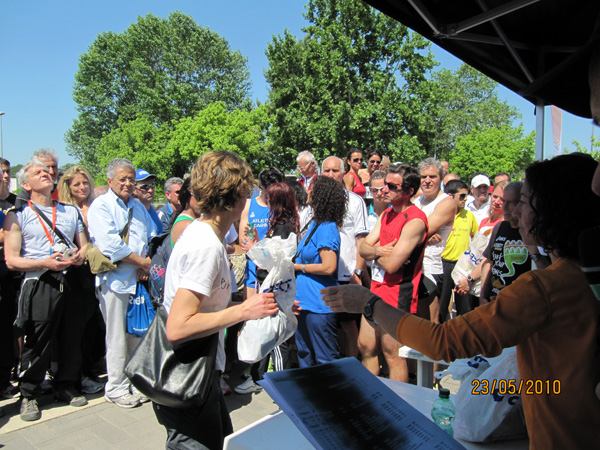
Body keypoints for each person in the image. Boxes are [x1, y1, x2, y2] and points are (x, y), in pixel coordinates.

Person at [322, 152, 600, 450]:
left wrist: (368, 302)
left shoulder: (543, 288)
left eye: (525, 202)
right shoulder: (576, 276)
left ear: (551, 211)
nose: (515, 213)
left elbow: (442, 341)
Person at [154, 151, 277, 449]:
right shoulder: (205, 245)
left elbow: (207, 309)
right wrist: (243, 309)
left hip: (203, 369)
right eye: (247, 190)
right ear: (238, 196)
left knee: (224, 441)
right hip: (186, 373)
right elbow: (179, 326)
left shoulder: (210, 237)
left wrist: (254, 309)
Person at [4, 159, 89, 421]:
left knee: (72, 336)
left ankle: (65, 385)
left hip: (70, 280)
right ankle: (29, 394)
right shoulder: (16, 215)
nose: (46, 173)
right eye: (37, 172)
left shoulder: (69, 211)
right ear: (26, 184)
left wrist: (78, 256)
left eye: (48, 171)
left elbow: (84, 246)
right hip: (40, 282)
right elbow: (12, 260)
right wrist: (44, 262)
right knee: (38, 341)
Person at [87, 158, 156, 408]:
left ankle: (134, 381)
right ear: (109, 181)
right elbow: (111, 246)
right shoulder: (101, 206)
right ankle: (115, 387)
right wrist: (142, 262)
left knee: (136, 335)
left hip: (138, 279)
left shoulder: (137, 206)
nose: (128, 183)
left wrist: (144, 264)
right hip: (114, 280)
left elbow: (149, 236)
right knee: (116, 336)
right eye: (122, 179)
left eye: (131, 179)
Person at [357, 164, 428, 382]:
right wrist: (380, 251)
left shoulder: (415, 220)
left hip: (398, 293)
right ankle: (369, 397)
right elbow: (363, 247)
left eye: (391, 186)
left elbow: (392, 266)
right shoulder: (387, 213)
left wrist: (374, 253)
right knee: (366, 347)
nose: (383, 189)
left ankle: (400, 406)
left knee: (392, 354)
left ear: (408, 191)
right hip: (376, 289)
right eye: (384, 183)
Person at [57, 165, 105, 395]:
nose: (82, 187)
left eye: (85, 182)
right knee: (78, 328)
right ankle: (77, 376)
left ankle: (90, 369)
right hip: (74, 273)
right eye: (76, 184)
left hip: (95, 270)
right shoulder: (65, 210)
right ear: (67, 187)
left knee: (95, 326)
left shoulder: (97, 206)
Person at [293, 175, 346, 367]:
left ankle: (331, 397)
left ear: (321, 195)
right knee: (304, 355)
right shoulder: (315, 224)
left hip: (319, 305)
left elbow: (328, 266)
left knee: (325, 360)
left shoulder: (327, 227)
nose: (308, 190)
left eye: (312, 188)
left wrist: (298, 267)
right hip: (305, 303)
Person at [321, 156, 369, 358]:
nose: (331, 175)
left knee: (348, 325)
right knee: (324, 324)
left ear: (343, 173)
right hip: (320, 273)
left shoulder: (356, 202)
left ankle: (351, 368)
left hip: (346, 274)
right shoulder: (315, 202)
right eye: (327, 171)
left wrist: (357, 271)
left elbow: (362, 241)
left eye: (335, 171)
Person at [413, 158, 456, 322]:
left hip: (431, 267)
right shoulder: (417, 201)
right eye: (423, 177)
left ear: (441, 177)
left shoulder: (446, 202)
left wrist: (423, 235)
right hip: (414, 265)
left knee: (432, 322)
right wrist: (424, 236)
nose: (427, 181)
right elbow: (411, 231)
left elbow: (419, 230)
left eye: (432, 176)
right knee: (416, 320)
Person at [239, 167, 284, 298]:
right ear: (261, 186)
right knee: (250, 308)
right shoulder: (248, 205)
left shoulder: (281, 207)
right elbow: (244, 240)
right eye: (270, 189)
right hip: (253, 264)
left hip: (274, 266)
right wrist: (254, 245)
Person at [438, 180, 478, 322]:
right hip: (444, 263)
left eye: (466, 196)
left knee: (464, 304)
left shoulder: (469, 216)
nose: (465, 199)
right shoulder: (443, 215)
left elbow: (476, 238)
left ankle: (463, 333)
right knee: (442, 303)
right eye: (461, 196)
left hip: (463, 265)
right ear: (450, 196)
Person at [134, 169, 163, 234]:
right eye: (145, 187)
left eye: (152, 185)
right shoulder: (133, 213)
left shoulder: (151, 209)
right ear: (134, 190)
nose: (150, 190)